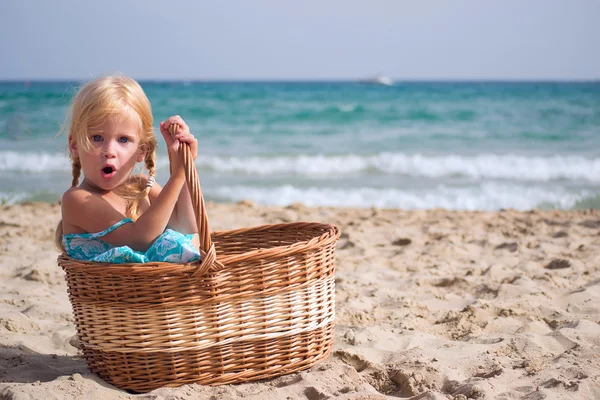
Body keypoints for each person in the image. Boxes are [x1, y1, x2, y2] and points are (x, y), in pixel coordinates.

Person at [54, 74, 201, 263]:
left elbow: (188, 225)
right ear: (75, 145)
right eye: (97, 138)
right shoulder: (76, 199)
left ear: (141, 150)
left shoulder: (141, 187)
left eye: (123, 140)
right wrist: (178, 177)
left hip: (156, 291)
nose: (109, 151)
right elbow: (138, 240)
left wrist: (182, 163)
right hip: (110, 292)